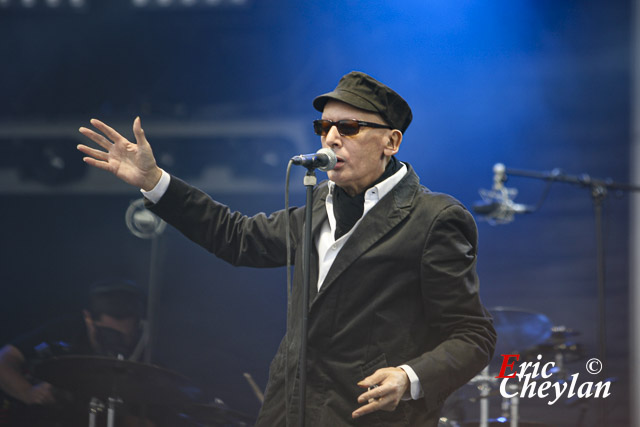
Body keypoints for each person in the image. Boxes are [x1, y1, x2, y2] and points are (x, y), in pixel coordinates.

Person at [76, 71, 496, 426]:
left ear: (391, 142)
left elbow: (473, 334)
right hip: (289, 411)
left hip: (369, 417)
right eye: (324, 127)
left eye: (348, 127)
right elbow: (235, 237)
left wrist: (409, 376)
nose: (331, 138)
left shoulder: (433, 218)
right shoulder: (316, 208)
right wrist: (156, 183)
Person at [0, 279, 147, 426]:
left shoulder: (143, 349)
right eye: (110, 334)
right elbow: (5, 359)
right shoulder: (65, 330)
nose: (118, 342)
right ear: (88, 318)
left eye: (126, 336)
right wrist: (28, 392)